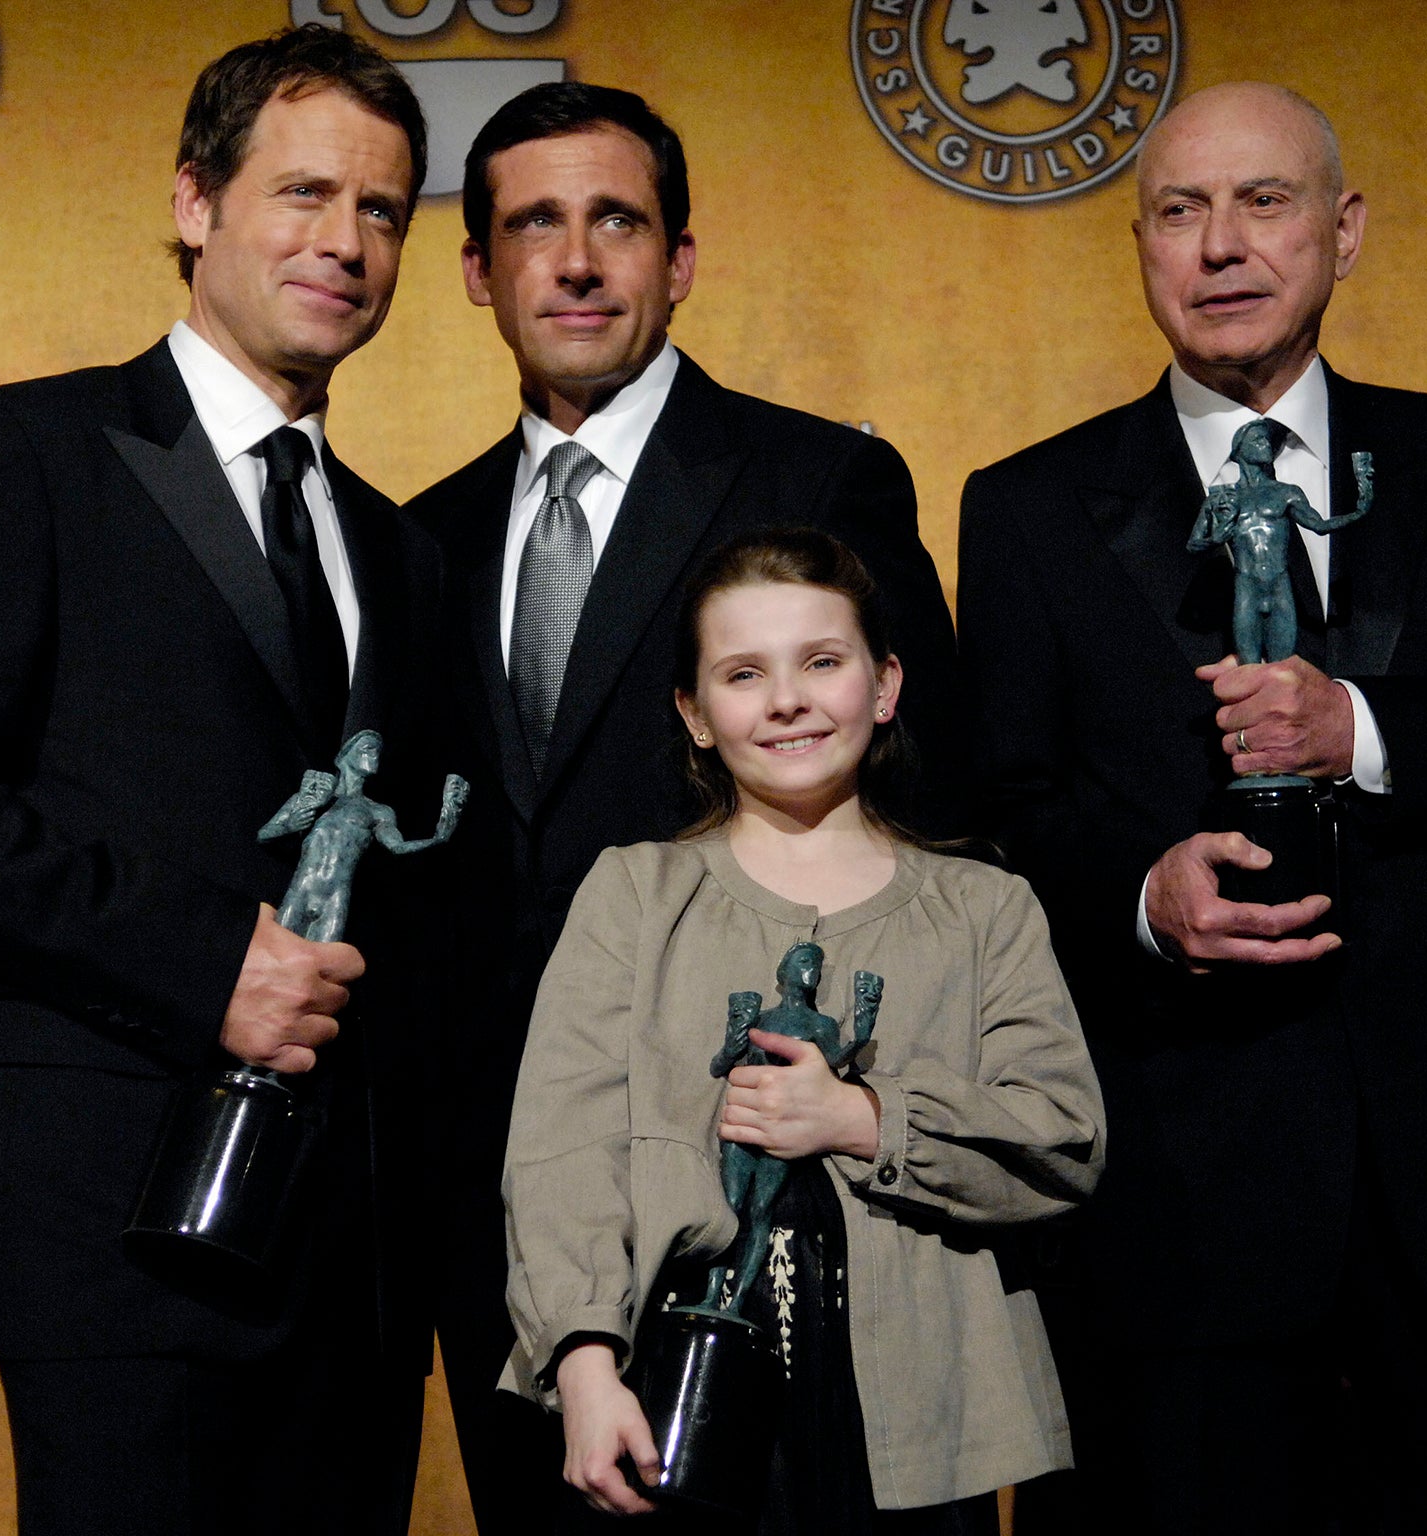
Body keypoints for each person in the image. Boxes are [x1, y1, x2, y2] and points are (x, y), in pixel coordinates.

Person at [958, 81, 1427, 1532]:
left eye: (1263, 203)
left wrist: (1364, 727)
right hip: (1175, 1218)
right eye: (1179, 210)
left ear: (1343, 233)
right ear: (1142, 245)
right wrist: (1144, 897)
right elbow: (994, 812)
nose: (1220, 246)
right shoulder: (1025, 506)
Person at [0, 27, 443, 1536]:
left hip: (350, 1262)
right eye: (304, 193)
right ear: (193, 204)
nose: (345, 243)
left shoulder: (404, 545)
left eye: (382, 211)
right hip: (116, 1223)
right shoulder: (23, 450)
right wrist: (200, 959)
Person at [404, 81, 964, 1529]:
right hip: (513, 1208)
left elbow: (940, 809)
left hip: (770, 1189)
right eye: (534, 224)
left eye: (615, 220)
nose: (576, 260)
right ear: (477, 271)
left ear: (681, 258)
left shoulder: (818, 474)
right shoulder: (420, 536)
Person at [502, 528, 1104, 1533]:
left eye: (821, 662)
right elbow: (562, 1151)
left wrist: (861, 1119)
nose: (786, 700)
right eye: (743, 674)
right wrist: (586, 1366)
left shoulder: (982, 907)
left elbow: (1060, 1137)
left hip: (918, 1407)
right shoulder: (634, 894)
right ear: (694, 715)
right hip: (677, 1389)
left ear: (885, 684)